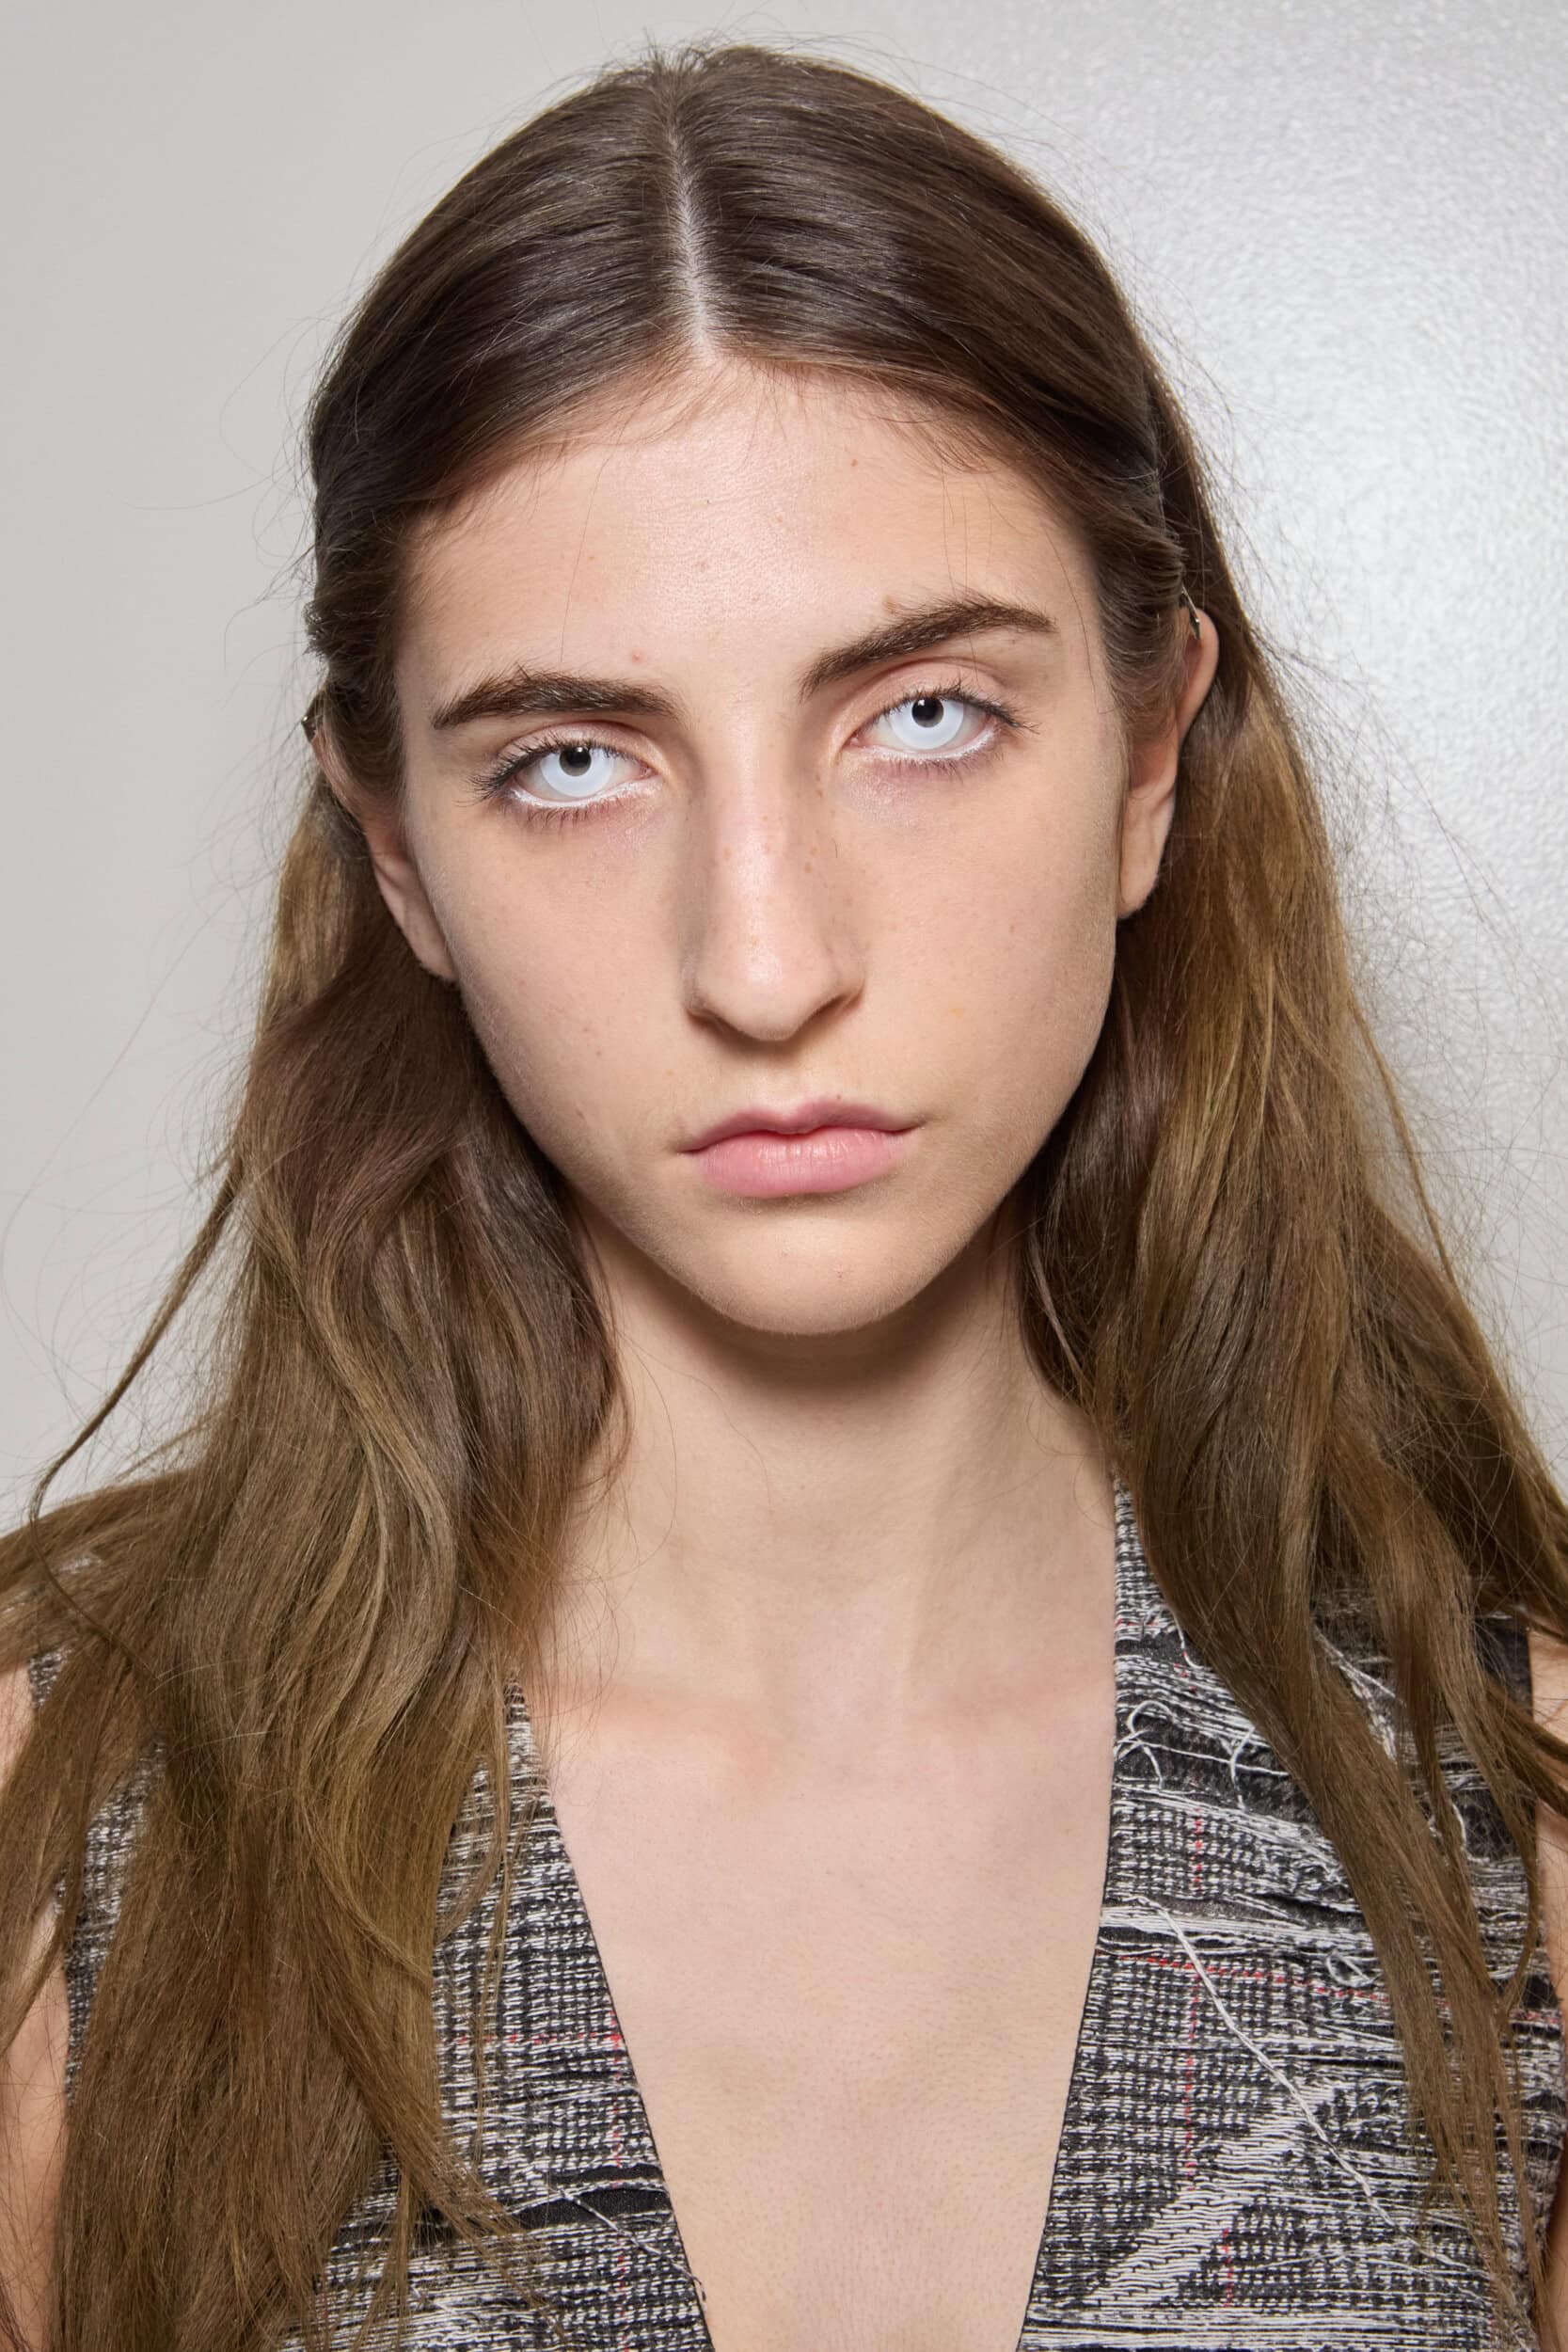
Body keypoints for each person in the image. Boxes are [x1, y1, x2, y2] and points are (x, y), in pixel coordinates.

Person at [2, 34, 1566, 2352]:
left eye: (923, 714)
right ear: (397, 847)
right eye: (572, 758)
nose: (764, 960)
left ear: (1150, 753)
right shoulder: (64, 1842)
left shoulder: (1516, 1809)